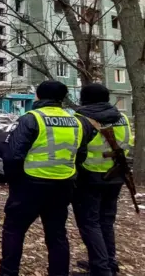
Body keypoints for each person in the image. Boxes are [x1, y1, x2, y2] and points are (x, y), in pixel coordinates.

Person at [0, 80, 95, 276]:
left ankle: (8, 272)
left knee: (14, 230)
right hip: (62, 185)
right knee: (57, 234)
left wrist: (14, 181)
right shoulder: (77, 121)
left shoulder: (32, 118)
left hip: (30, 185)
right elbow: (81, 155)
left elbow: (14, 155)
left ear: (38, 96)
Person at [71, 83, 133, 276]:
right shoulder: (122, 117)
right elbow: (128, 142)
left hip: (89, 176)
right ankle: (108, 262)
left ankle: (100, 268)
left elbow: (75, 150)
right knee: (106, 221)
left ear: (84, 99)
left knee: (90, 223)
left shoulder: (80, 120)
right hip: (116, 175)